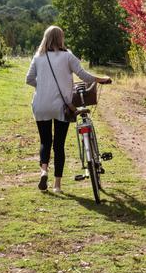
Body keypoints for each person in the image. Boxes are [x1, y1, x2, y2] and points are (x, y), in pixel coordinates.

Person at [25, 25, 111, 194]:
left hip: (40, 104)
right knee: (59, 145)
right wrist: (101, 79)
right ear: (61, 38)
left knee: (45, 141)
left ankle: (43, 171)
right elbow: (83, 75)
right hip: (61, 106)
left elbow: (29, 79)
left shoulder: (38, 57)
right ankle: (57, 185)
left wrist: (43, 87)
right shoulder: (67, 56)